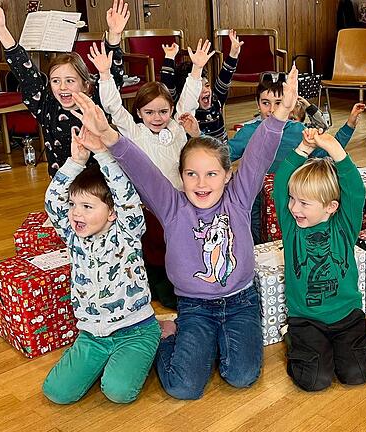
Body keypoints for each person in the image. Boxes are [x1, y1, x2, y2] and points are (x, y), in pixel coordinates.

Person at [68, 63, 298, 400]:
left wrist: (280, 115)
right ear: (181, 175)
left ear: (226, 174)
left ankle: (216, 344)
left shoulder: (238, 196)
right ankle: (166, 335)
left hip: (241, 303)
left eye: (210, 174)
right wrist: (109, 137)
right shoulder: (172, 206)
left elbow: (257, 157)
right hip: (194, 306)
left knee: (242, 376)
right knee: (183, 387)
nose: (201, 183)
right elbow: (142, 170)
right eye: (191, 174)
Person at [42, 125, 158, 404]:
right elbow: (51, 202)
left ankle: (155, 339)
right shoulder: (73, 237)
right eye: (73, 205)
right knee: (57, 392)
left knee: (118, 392)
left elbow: (128, 199)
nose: (75, 213)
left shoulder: (126, 232)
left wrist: (103, 155)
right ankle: (98, 359)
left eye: (87, 206)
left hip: (135, 330)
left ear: (111, 213)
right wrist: (76, 161)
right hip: (92, 334)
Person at [273, 129, 366, 391]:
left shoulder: (344, 225)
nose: (294, 208)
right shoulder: (291, 226)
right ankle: (294, 339)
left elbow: (355, 188)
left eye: (304, 203)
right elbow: (279, 183)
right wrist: (303, 149)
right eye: (293, 200)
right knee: (314, 381)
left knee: (358, 374)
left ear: (331, 207)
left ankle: (334, 350)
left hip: (347, 316)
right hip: (306, 320)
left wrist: (335, 150)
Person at [0, 0, 128, 177]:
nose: (62, 87)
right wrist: (1, 30)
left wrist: (114, 35)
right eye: (56, 81)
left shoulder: (97, 101)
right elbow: (25, 72)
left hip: (99, 185)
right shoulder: (45, 105)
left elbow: (112, 75)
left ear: (86, 85)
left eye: (70, 81)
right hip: (63, 185)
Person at [229, 73, 363, 243]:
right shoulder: (248, 132)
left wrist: (349, 125)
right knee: (255, 235)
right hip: (255, 200)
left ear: (289, 104)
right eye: (265, 103)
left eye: (278, 103)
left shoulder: (298, 129)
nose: (271, 110)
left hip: (294, 198)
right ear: (257, 104)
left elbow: (325, 152)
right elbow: (223, 155)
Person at [95, 39, 214, 188]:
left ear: (171, 109)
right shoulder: (135, 132)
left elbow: (188, 100)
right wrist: (105, 75)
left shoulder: (177, 127)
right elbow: (114, 107)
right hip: (152, 201)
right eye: (149, 112)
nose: (157, 118)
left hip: (182, 196)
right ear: (139, 113)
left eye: (163, 111)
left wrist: (197, 69)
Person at [160, 30, 243, 144]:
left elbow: (225, 77)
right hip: (198, 155)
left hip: (220, 154)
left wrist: (233, 54)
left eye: (207, 85)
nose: (206, 90)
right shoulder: (184, 108)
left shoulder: (216, 100)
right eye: (199, 87)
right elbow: (167, 86)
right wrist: (169, 57)